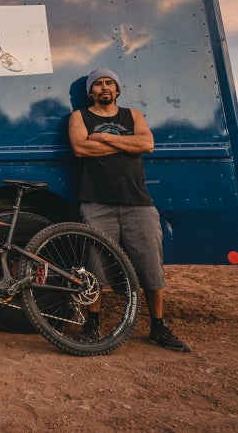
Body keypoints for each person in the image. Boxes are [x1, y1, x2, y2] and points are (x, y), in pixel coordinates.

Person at [68, 67, 191, 352]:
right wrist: (127, 145)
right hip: (96, 202)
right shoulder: (80, 117)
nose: (104, 87)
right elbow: (80, 149)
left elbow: (147, 144)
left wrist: (104, 138)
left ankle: (158, 327)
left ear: (118, 89)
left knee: (150, 264)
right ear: (91, 91)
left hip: (138, 203)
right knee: (94, 267)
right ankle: (93, 323)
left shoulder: (133, 115)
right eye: (97, 84)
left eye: (109, 82)